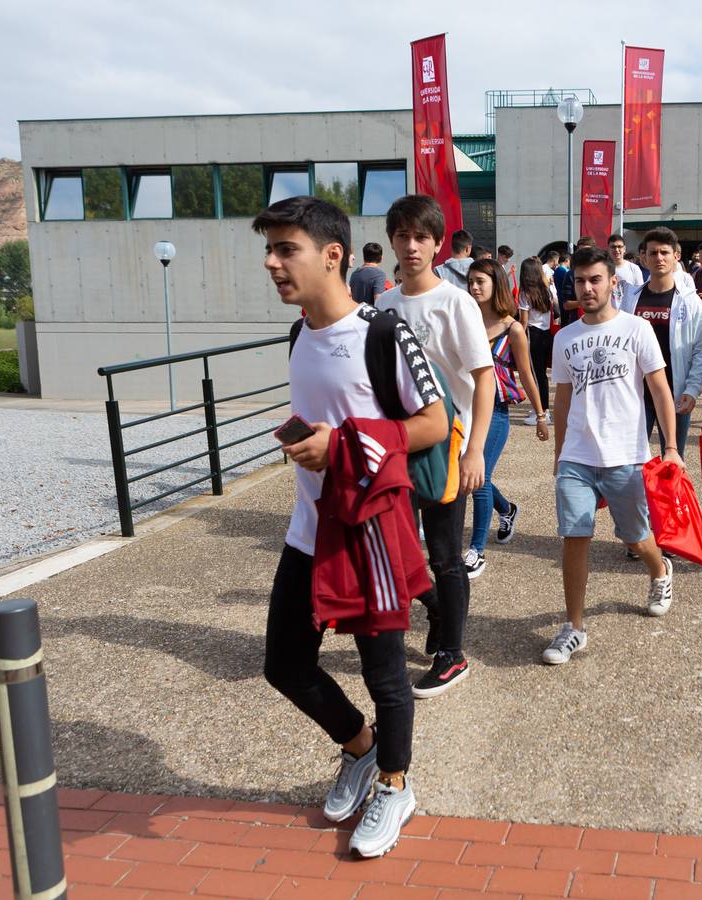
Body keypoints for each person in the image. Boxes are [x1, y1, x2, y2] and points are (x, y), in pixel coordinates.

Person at [255, 196, 449, 858]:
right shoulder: (298, 332)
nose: (272, 263)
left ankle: (396, 782)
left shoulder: (383, 332)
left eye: (287, 250)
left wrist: (342, 442)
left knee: (386, 677)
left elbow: (432, 423)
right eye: (271, 250)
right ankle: (361, 750)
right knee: (285, 666)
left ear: (332, 255)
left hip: (370, 531)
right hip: (308, 529)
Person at [542, 246, 683, 665]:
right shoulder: (565, 338)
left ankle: (659, 571)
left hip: (626, 454)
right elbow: (563, 399)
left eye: (595, 280)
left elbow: (659, 389)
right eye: (580, 281)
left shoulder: (637, 329)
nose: (587, 288)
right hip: (578, 457)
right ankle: (574, 628)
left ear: (612, 283)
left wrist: (671, 448)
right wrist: (559, 450)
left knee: (635, 537)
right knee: (574, 536)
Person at [378, 197, 494, 699]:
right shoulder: (382, 306)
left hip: (449, 443)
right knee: (398, 550)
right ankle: (439, 612)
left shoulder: (455, 302)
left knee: (445, 555)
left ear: (438, 243)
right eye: (402, 236)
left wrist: (476, 452)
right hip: (397, 442)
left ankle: (453, 653)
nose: (410, 246)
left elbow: (484, 378)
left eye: (420, 237)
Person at [463, 259, 549, 579]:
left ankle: (476, 550)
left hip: (497, 411)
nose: (474, 287)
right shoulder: (464, 322)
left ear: (495, 283)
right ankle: (507, 509)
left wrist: (540, 415)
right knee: (471, 475)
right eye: (471, 281)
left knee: (480, 479)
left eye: (480, 281)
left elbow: (526, 374)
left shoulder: (513, 328)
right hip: (465, 409)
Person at [618, 227, 702, 459]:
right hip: (636, 395)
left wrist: (692, 389)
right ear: (644, 257)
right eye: (653, 253)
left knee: (672, 462)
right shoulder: (630, 299)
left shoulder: (689, 302)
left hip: (675, 394)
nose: (659, 258)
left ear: (676, 256)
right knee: (629, 462)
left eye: (664, 252)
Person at [518, 256, 556, 427]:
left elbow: (524, 321)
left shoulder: (525, 293)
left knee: (535, 374)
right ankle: (540, 409)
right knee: (540, 374)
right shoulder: (546, 289)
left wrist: (519, 336)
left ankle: (542, 411)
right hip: (546, 333)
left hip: (532, 334)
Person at [608, 233, 644, 306]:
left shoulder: (634, 268)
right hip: (608, 313)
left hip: (629, 312)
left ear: (624, 249)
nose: (616, 250)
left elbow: (639, 293)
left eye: (619, 247)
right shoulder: (603, 268)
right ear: (608, 249)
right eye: (613, 247)